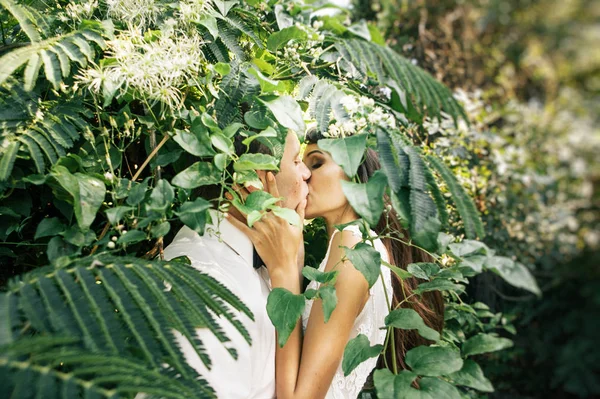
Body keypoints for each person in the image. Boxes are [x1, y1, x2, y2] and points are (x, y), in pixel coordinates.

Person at [227, 129, 445, 398]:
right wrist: (295, 261)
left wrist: (285, 273)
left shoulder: (354, 256)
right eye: (301, 164)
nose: (304, 175)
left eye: (317, 163)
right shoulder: (348, 248)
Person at [162, 130, 310, 398]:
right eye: (297, 160)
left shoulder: (255, 260)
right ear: (252, 182)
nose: (307, 173)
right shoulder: (207, 287)